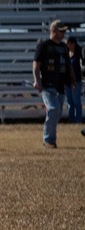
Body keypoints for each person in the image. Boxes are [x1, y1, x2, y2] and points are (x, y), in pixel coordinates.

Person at [32, 20, 74, 148]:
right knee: (53, 109)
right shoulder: (44, 46)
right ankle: (48, 141)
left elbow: (68, 65)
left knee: (58, 113)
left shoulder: (63, 47)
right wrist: (37, 80)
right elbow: (36, 64)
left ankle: (51, 139)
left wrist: (72, 79)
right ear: (54, 31)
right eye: (62, 31)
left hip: (60, 85)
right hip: (47, 85)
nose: (64, 34)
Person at [65, 35, 82, 125]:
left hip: (76, 80)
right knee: (70, 102)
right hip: (68, 81)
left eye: (68, 44)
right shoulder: (67, 53)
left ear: (73, 44)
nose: (67, 45)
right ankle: (71, 120)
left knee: (76, 101)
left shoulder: (79, 53)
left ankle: (78, 120)